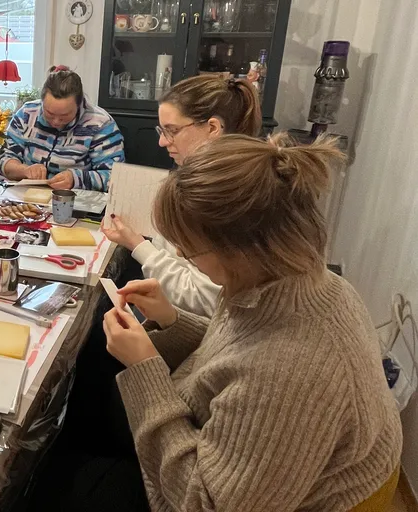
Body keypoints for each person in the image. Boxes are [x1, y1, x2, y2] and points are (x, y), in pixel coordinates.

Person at [28, 134, 401, 511]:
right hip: (231, 457)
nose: (185, 258)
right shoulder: (288, 280)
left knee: (57, 484)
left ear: (238, 250)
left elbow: (204, 503)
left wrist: (145, 369)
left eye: (188, 250)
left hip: (215, 493)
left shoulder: (292, 370)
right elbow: (236, 352)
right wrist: (171, 320)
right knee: (88, 392)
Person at [103, 74, 262, 316]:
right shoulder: (202, 179)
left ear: (212, 128)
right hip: (171, 308)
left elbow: (206, 299)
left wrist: (137, 245)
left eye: (172, 130)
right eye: (162, 130)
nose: (161, 141)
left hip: (189, 324)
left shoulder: (219, 197)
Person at [0, 66, 124, 191]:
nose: (56, 122)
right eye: (49, 113)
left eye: (64, 116)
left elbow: (114, 177)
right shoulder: (27, 113)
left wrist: (76, 179)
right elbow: (3, 159)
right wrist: (24, 170)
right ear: (42, 101)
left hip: (74, 202)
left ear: (79, 104)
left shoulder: (100, 123)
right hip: (26, 197)